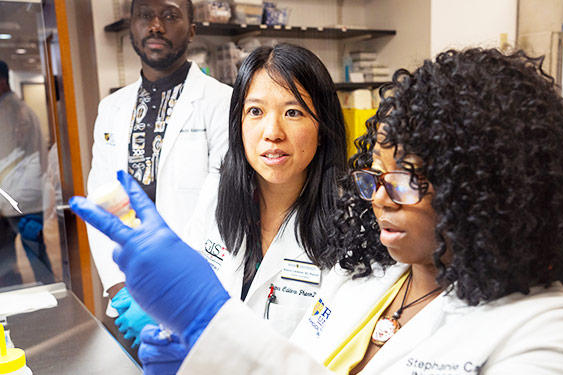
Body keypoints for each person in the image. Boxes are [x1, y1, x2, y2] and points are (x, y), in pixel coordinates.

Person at [70, 47, 563, 374]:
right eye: (375, 176)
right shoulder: (367, 280)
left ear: (493, 188)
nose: (379, 198)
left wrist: (210, 321)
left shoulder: (561, 335)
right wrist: (201, 358)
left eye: (409, 180)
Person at [134, 42, 348, 373]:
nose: (272, 132)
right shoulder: (216, 194)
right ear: (238, 123)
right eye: (256, 111)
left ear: (322, 128)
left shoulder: (349, 225)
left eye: (293, 112)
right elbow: (189, 304)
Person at [85, 0, 232, 348]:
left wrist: (173, 291)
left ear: (192, 30)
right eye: (144, 16)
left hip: (195, 288)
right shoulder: (111, 108)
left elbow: (220, 201)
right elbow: (103, 196)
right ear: (131, 27)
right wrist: (119, 290)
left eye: (169, 16)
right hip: (129, 288)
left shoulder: (222, 101)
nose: (155, 26)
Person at [0, 60, 53, 287]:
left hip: (21, 199)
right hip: (19, 198)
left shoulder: (14, 111)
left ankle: (52, 301)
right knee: (25, 255)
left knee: (32, 255)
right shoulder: (14, 108)